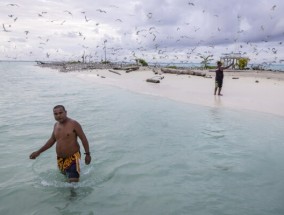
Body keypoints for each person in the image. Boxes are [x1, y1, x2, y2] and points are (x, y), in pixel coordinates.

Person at [29, 105, 91, 182]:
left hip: (73, 157)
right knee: (66, 180)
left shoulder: (74, 124)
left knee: (73, 183)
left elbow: (83, 139)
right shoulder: (56, 125)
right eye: (56, 114)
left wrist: (87, 154)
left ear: (66, 112)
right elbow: (51, 141)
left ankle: (74, 193)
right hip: (60, 159)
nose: (58, 115)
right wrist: (38, 152)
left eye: (61, 113)